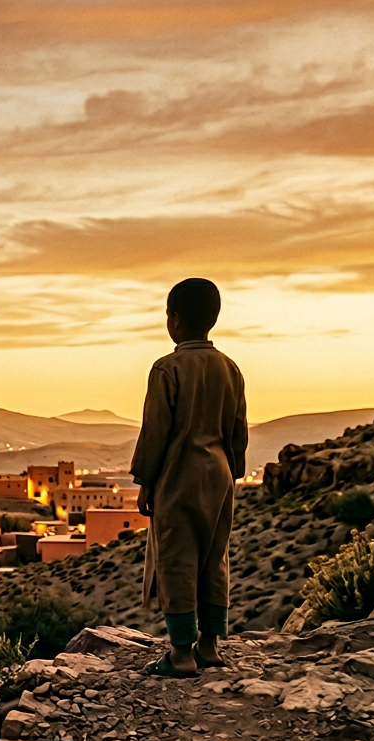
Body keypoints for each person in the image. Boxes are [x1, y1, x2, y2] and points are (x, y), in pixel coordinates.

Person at [131, 278, 248, 678]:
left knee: (177, 560)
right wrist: (234, 469)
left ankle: (181, 653)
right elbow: (238, 431)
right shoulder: (230, 368)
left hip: (178, 477)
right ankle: (210, 646)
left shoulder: (168, 368)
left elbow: (156, 431)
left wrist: (146, 480)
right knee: (215, 558)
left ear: (175, 319)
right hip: (220, 477)